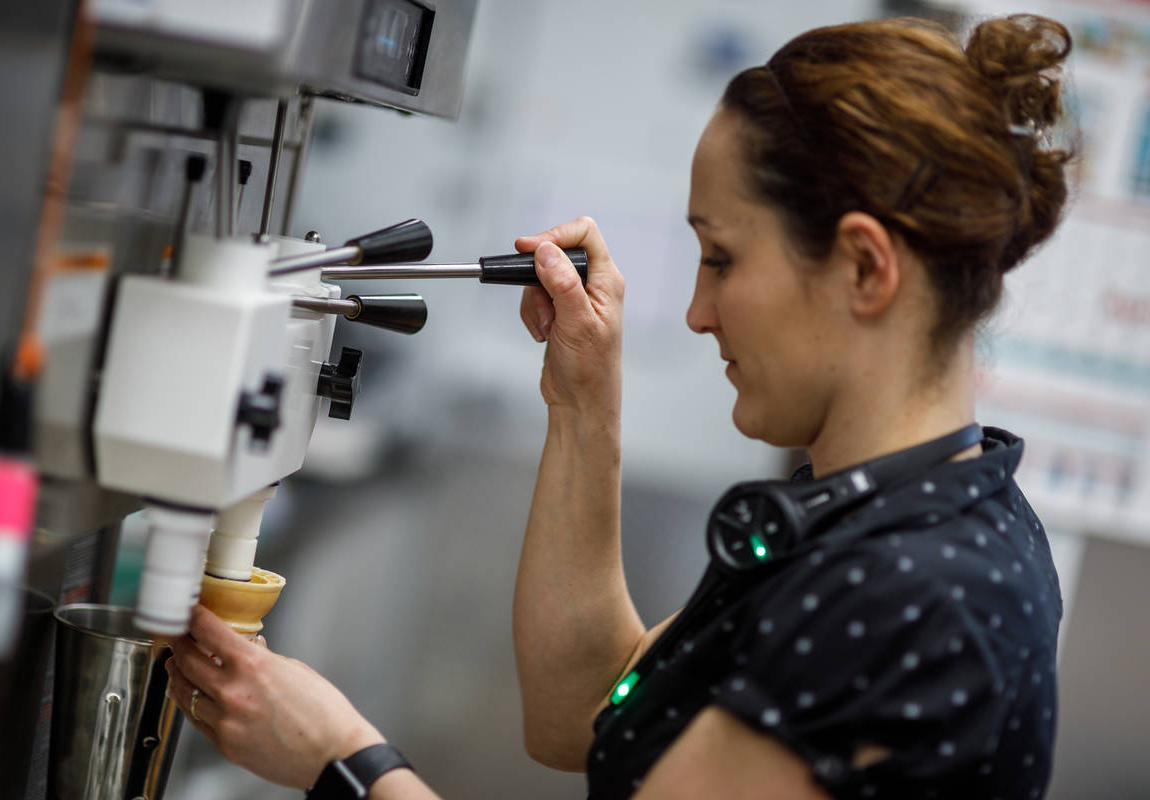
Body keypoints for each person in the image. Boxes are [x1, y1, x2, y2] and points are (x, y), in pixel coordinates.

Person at [166, 13, 1072, 799]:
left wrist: (338, 758)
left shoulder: (911, 591)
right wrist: (583, 392)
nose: (697, 311)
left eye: (721, 258)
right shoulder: (895, 515)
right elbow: (588, 707)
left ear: (866, 269)